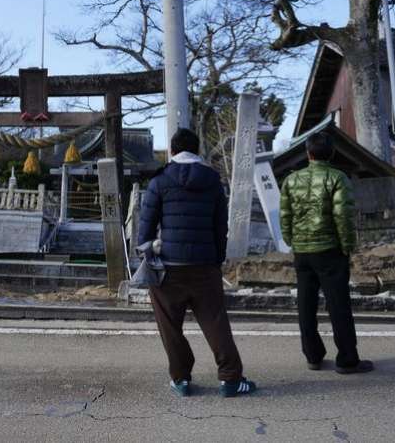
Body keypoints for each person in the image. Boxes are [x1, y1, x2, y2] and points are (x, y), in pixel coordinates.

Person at [138, 128, 256, 398]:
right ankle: (230, 379)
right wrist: (217, 260)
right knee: (215, 321)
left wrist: (147, 254)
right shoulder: (212, 180)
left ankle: (180, 378)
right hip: (204, 266)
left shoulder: (159, 181)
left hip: (168, 268)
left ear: (172, 150)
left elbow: (145, 231)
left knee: (169, 324)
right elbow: (219, 226)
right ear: (198, 150)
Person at [279, 132, 374, 374]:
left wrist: (292, 240)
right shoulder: (337, 178)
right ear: (331, 153)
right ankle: (347, 359)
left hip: (302, 251)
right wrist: (347, 245)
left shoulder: (291, 180)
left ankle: (313, 356)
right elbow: (343, 217)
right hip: (330, 249)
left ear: (308, 153)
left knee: (305, 304)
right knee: (338, 304)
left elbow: (285, 215)